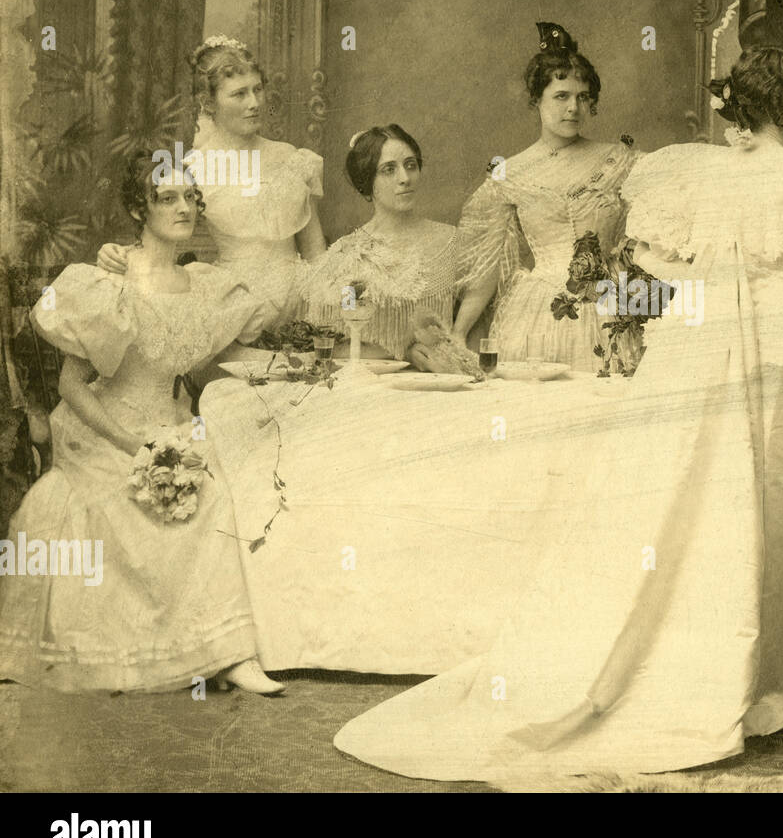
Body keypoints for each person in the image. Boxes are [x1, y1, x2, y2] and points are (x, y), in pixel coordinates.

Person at [332, 45, 783, 779]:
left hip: (726, 335)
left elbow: (659, 264)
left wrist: (720, 289)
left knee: (773, 495)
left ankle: (769, 669)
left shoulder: (708, 172)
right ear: (767, 105)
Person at [0, 152, 284, 694]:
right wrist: (130, 442)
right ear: (138, 207)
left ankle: (231, 654)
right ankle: (150, 656)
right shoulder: (109, 281)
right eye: (167, 198)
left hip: (174, 427)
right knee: (125, 508)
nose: (185, 208)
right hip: (104, 431)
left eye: (191, 197)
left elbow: (194, 361)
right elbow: (69, 386)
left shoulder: (202, 284)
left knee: (223, 498)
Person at [97, 35, 327, 322]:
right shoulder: (191, 168)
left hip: (301, 305)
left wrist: (320, 315)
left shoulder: (293, 158)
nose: (254, 102)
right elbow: (159, 236)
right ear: (209, 102)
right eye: (239, 94)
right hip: (234, 305)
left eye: (258, 89)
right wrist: (115, 253)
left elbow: (315, 251)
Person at [452, 23, 639, 370]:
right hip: (536, 313)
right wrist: (459, 332)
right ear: (536, 100)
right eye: (562, 96)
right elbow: (487, 267)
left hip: (609, 307)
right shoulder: (511, 173)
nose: (574, 108)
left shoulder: (619, 159)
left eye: (583, 97)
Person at [300, 124, 478, 374]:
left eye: (410, 165)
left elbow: (479, 306)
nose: (405, 178)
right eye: (389, 170)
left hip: (441, 382)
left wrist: (457, 337)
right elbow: (330, 344)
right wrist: (403, 353)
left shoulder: (451, 241)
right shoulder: (348, 255)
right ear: (367, 181)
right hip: (373, 385)